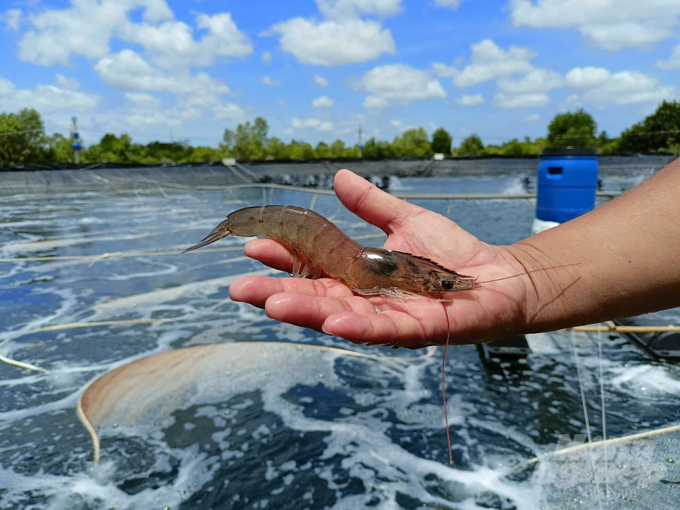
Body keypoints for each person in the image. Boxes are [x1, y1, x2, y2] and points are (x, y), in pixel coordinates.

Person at [229, 160, 680, 348]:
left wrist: (522, 279)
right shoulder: (375, 271)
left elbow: (398, 274)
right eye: (442, 283)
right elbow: (387, 276)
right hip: (306, 234)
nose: (445, 287)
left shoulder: (390, 269)